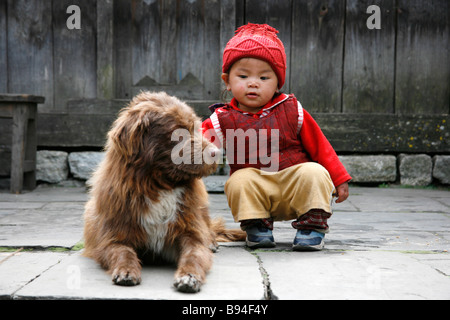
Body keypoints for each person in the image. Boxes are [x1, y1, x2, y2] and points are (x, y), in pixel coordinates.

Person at [202, 23, 351, 251]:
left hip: (294, 183)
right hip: (257, 188)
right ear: (227, 81)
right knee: (238, 180)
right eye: (243, 76)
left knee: (314, 172)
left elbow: (320, 145)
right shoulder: (221, 119)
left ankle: (311, 228)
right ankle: (257, 227)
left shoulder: (292, 109)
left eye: (264, 78)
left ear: (277, 83)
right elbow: (197, 149)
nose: (253, 83)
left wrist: (339, 178)